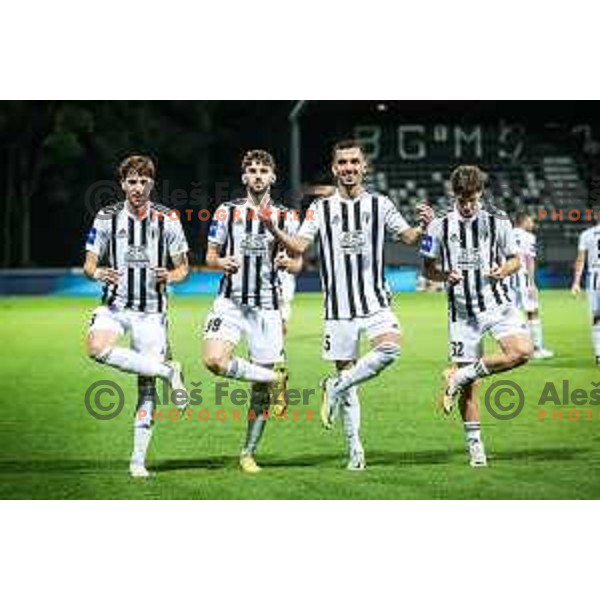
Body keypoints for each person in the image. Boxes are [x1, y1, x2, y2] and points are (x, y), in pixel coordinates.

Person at [261, 139, 433, 470]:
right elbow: (299, 244)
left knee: (391, 350)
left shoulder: (380, 204)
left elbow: (409, 238)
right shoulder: (321, 209)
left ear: (364, 167)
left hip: (375, 300)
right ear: (334, 168)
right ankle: (355, 450)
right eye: (343, 163)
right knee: (349, 376)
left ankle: (333, 387)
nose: (349, 168)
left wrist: (423, 225)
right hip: (338, 307)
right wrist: (274, 229)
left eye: (355, 162)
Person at [84, 154, 189, 478]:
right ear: (122, 184)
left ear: (152, 184)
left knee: (146, 388)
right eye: (132, 181)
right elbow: (89, 265)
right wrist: (98, 271)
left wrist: (169, 276)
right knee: (96, 347)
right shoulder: (106, 217)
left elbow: (183, 268)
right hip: (114, 306)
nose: (138, 187)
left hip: (151, 312)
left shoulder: (167, 218)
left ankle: (137, 461)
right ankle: (168, 371)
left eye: (144, 181)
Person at [421, 165, 532, 467]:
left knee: (522, 351)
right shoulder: (439, 224)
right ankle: (475, 448)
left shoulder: (498, 220)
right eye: (462, 199)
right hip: (462, 311)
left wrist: (502, 270)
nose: (468, 205)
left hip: (498, 304)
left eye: (472, 198)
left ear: (481, 192)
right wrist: (445, 275)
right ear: (454, 194)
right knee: (470, 389)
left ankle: (456, 376)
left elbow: (515, 261)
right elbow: (428, 268)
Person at [202, 149, 301, 474]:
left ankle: (248, 452)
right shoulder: (225, 212)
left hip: (267, 307)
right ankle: (277, 378)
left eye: (263, 171)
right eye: (252, 171)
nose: (258, 176)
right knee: (214, 360)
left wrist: (290, 262)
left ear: (273, 177)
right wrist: (220, 262)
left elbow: (298, 260)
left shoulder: (287, 216)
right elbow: (210, 256)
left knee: (259, 393)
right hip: (230, 302)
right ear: (244, 177)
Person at [511, 212, 553, 358]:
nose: (533, 224)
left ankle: (517, 349)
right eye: (531, 221)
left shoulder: (507, 234)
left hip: (507, 279)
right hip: (522, 278)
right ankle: (536, 349)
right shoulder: (528, 237)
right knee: (532, 311)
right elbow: (529, 261)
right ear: (524, 221)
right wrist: (532, 283)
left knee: (514, 314)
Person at [571, 218, 600, 363]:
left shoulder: (586, 234)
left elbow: (580, 260)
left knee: (596, 316)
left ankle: (598, 352)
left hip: (595, 278)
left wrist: (576, 282)